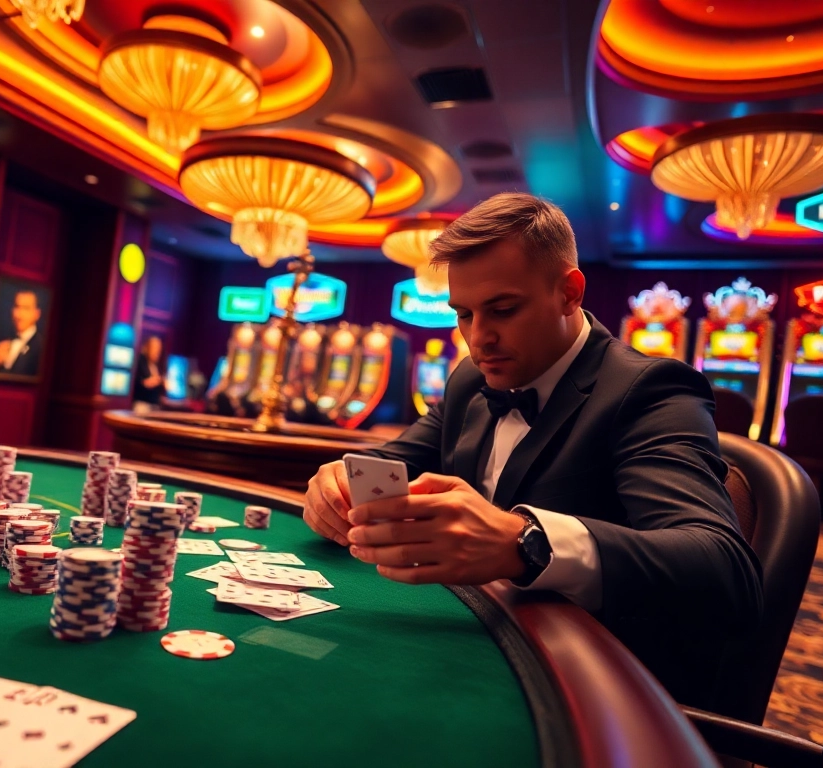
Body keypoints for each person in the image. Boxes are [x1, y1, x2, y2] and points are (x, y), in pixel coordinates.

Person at [302, 193, 762, 706]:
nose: (479, 339)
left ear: (570, 292)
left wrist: (526, 542)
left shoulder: (651, 390)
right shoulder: (468, 382)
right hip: (476, 648)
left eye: (503, 309)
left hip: (592, 690)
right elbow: (395, 460)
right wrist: (338, 479)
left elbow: (724, 570)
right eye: (464, 314)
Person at [0, 289, 43, 376]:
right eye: (17, 307)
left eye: (26, 308)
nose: (19, 315)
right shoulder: (2, 341)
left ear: (37, 314)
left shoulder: (41, 347)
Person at [132, 335, 166, 414]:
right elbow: (143, 383)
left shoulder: (156, 366)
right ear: (147, 348)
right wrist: (158, 381)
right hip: (141, 405)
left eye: (159, 349)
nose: (157, 352)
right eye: (155, 348)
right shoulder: (140, 362)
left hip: (154, 406)